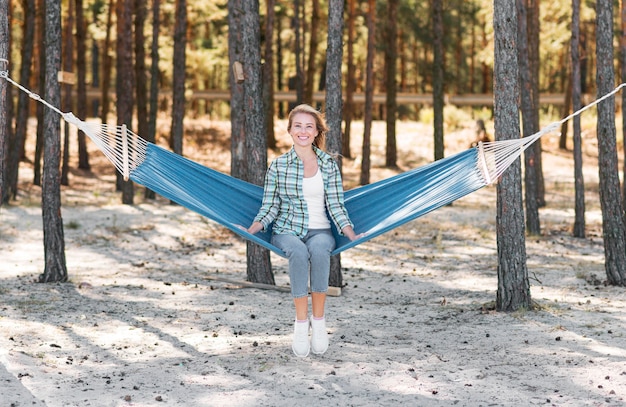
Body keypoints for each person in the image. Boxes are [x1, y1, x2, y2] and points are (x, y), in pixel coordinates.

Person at [244, 104, 362, 358]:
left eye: (309, 126)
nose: (303, 131)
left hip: (321, 230)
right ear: (289, 130)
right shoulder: (278, 166)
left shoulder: (329, 165)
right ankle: (300, 324)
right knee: (298, 252)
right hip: (287, 230)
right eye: (298, 125)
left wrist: (350, 233)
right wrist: (254, 228)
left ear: (317, 131)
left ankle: (318, 323)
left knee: (319, 250)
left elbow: (336, 204)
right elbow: (270, 205)